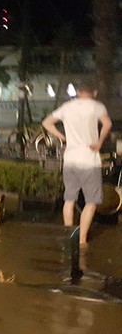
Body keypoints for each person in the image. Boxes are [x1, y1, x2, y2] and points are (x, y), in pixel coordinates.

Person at [42, 79, 112, 249]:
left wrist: (62, 137)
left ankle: (69, 235)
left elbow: (46, 123)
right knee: (91, 201)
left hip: (70, 160)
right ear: (94, 93)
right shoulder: (97, 106)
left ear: (77, 92)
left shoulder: (67, 107)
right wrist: (99, 142)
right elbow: (107, 124)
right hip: (89, 160)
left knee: (69, 199)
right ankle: (81, 240)